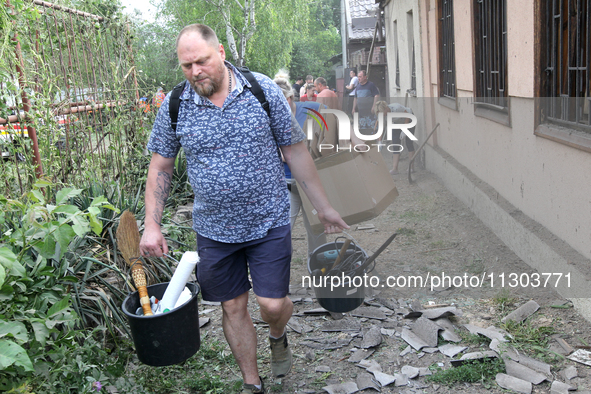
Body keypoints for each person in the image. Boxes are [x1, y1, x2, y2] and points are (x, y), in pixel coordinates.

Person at [139, 24, 348, 394]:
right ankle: (252, 382)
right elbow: (161, 167)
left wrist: (324, 207)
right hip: (214, 230)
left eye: (201, 61)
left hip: (268, 221)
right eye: (186, 66)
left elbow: (295, 151)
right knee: (233, 308)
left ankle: (278, 335)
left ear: (220, 52)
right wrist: (151, 225)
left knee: (271, 305)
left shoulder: (261, 90)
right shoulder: (175, 104)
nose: (195, 72)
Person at [274, 73, 328, 257]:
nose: (277, 110)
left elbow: (338, 119)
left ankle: (320, 270)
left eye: (282, 104)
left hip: (310, 184)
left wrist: (356, 140)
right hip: (286, 184)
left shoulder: (312, 108)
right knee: (281, 233)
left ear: (290, 98)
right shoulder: (271, 116)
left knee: (316, 231)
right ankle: (279, 274)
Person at [375, 101, 416, 175]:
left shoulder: (397, 108)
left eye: (382, 113)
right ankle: (395, 169)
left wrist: (404, 130)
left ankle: (411, 167)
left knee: (409, 143)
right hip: (396, 123)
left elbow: (407, 116)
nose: (382, 115)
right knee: (395, 144)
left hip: (409, 119)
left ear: (386, 109)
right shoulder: (381, 114)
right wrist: (380, 142)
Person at [352, 70, 380, 135]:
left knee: (373, 130)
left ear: (365, 77)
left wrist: (374, 106)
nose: (358, 78)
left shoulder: (371, 85)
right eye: (358, 77)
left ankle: (374, 143)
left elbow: (376, 95)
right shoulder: (358, 87)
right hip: (361, 113)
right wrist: (353, 108)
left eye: (360, 77)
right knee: (363, 131)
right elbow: (355, 98)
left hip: (370, 113)